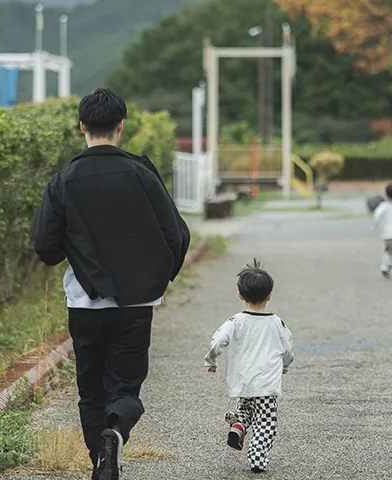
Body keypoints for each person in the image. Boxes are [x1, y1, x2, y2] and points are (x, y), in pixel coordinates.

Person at [31, 87, 190, 480]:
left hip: (84, 303)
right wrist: (155, 279)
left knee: (90, 389)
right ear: (121, 126)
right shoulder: (141, 174)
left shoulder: (64, 180)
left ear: (82, 126)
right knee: (126, 387)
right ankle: (116, 431)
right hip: (137, 304)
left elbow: (45, 246)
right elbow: (177, 236)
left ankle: (101, 463)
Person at [204, 259, 294, 473]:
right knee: (266, 422)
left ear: (240, 295)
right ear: (270, 295)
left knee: (245, 409)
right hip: (266, 383)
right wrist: (286, 364)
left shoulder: (235, 321)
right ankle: (257, 457)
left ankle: (238, 425)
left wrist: (211, 360)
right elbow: (288, 347)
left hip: (243, 380)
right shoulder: (276, 322)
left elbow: (217, 341)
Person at [371, 183, 392, 281]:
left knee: (388, 251)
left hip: (387, 234)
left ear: (386, 194)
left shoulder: (383, 206)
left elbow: (377, 216)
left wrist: (374, 226)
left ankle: (385, 266)